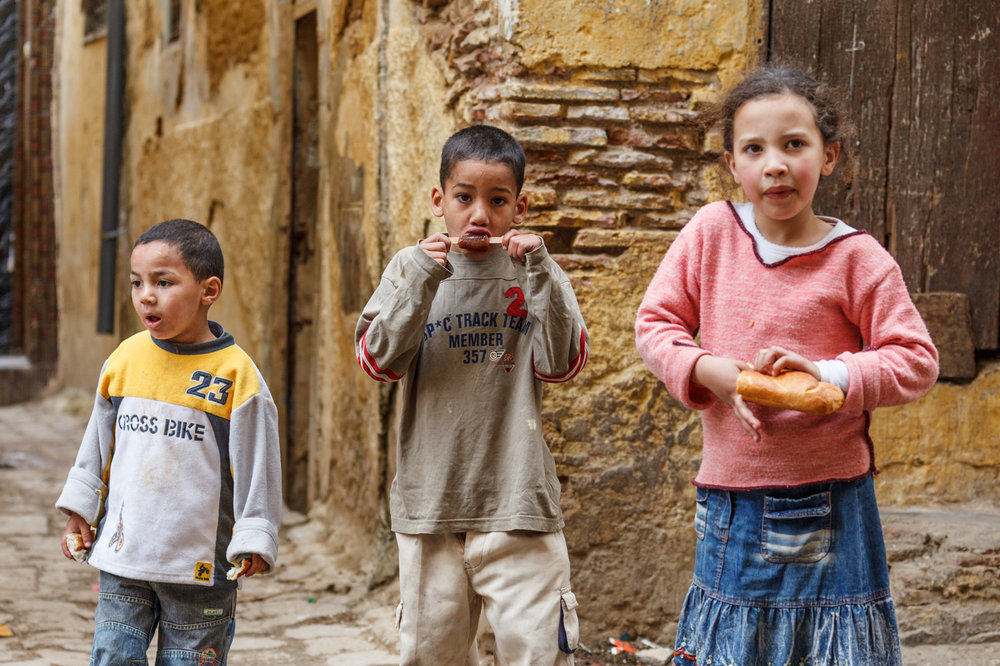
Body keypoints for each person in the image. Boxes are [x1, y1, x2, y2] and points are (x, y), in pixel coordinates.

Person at [634, 66, 939, 665]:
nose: (775, 163)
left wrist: (829, 377)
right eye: (755, 149)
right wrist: (706, 371)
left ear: (829, 157)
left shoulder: (859, 260)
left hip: (833, 498)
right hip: (732, 498)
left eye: (794, 144)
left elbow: (916, 360)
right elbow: (656, 325)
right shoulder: (710, 234)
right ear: (732, 164)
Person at [356, 124, 589, 665]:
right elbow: (377, 362)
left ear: (520, 206)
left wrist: (540, 273)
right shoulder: (409, 267)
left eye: (497, 200)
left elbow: (562, 365)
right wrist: (420, 276)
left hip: (519, 504)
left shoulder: (536, 271)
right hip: (430, 507)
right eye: (465, 197)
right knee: (431, 656)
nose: (479, 214)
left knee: (538, 653)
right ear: (440, 201)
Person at [56, 219, 282, 665]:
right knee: (112, 657)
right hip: (126, 557)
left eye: (164, 282)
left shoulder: (236, 376)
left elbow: (258, 464)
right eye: (137, 282)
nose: (146, 295)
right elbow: (97, 447)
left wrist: (255, 533)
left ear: (208, 290)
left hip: (199, 570)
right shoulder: (124, 359)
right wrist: (81, 511)